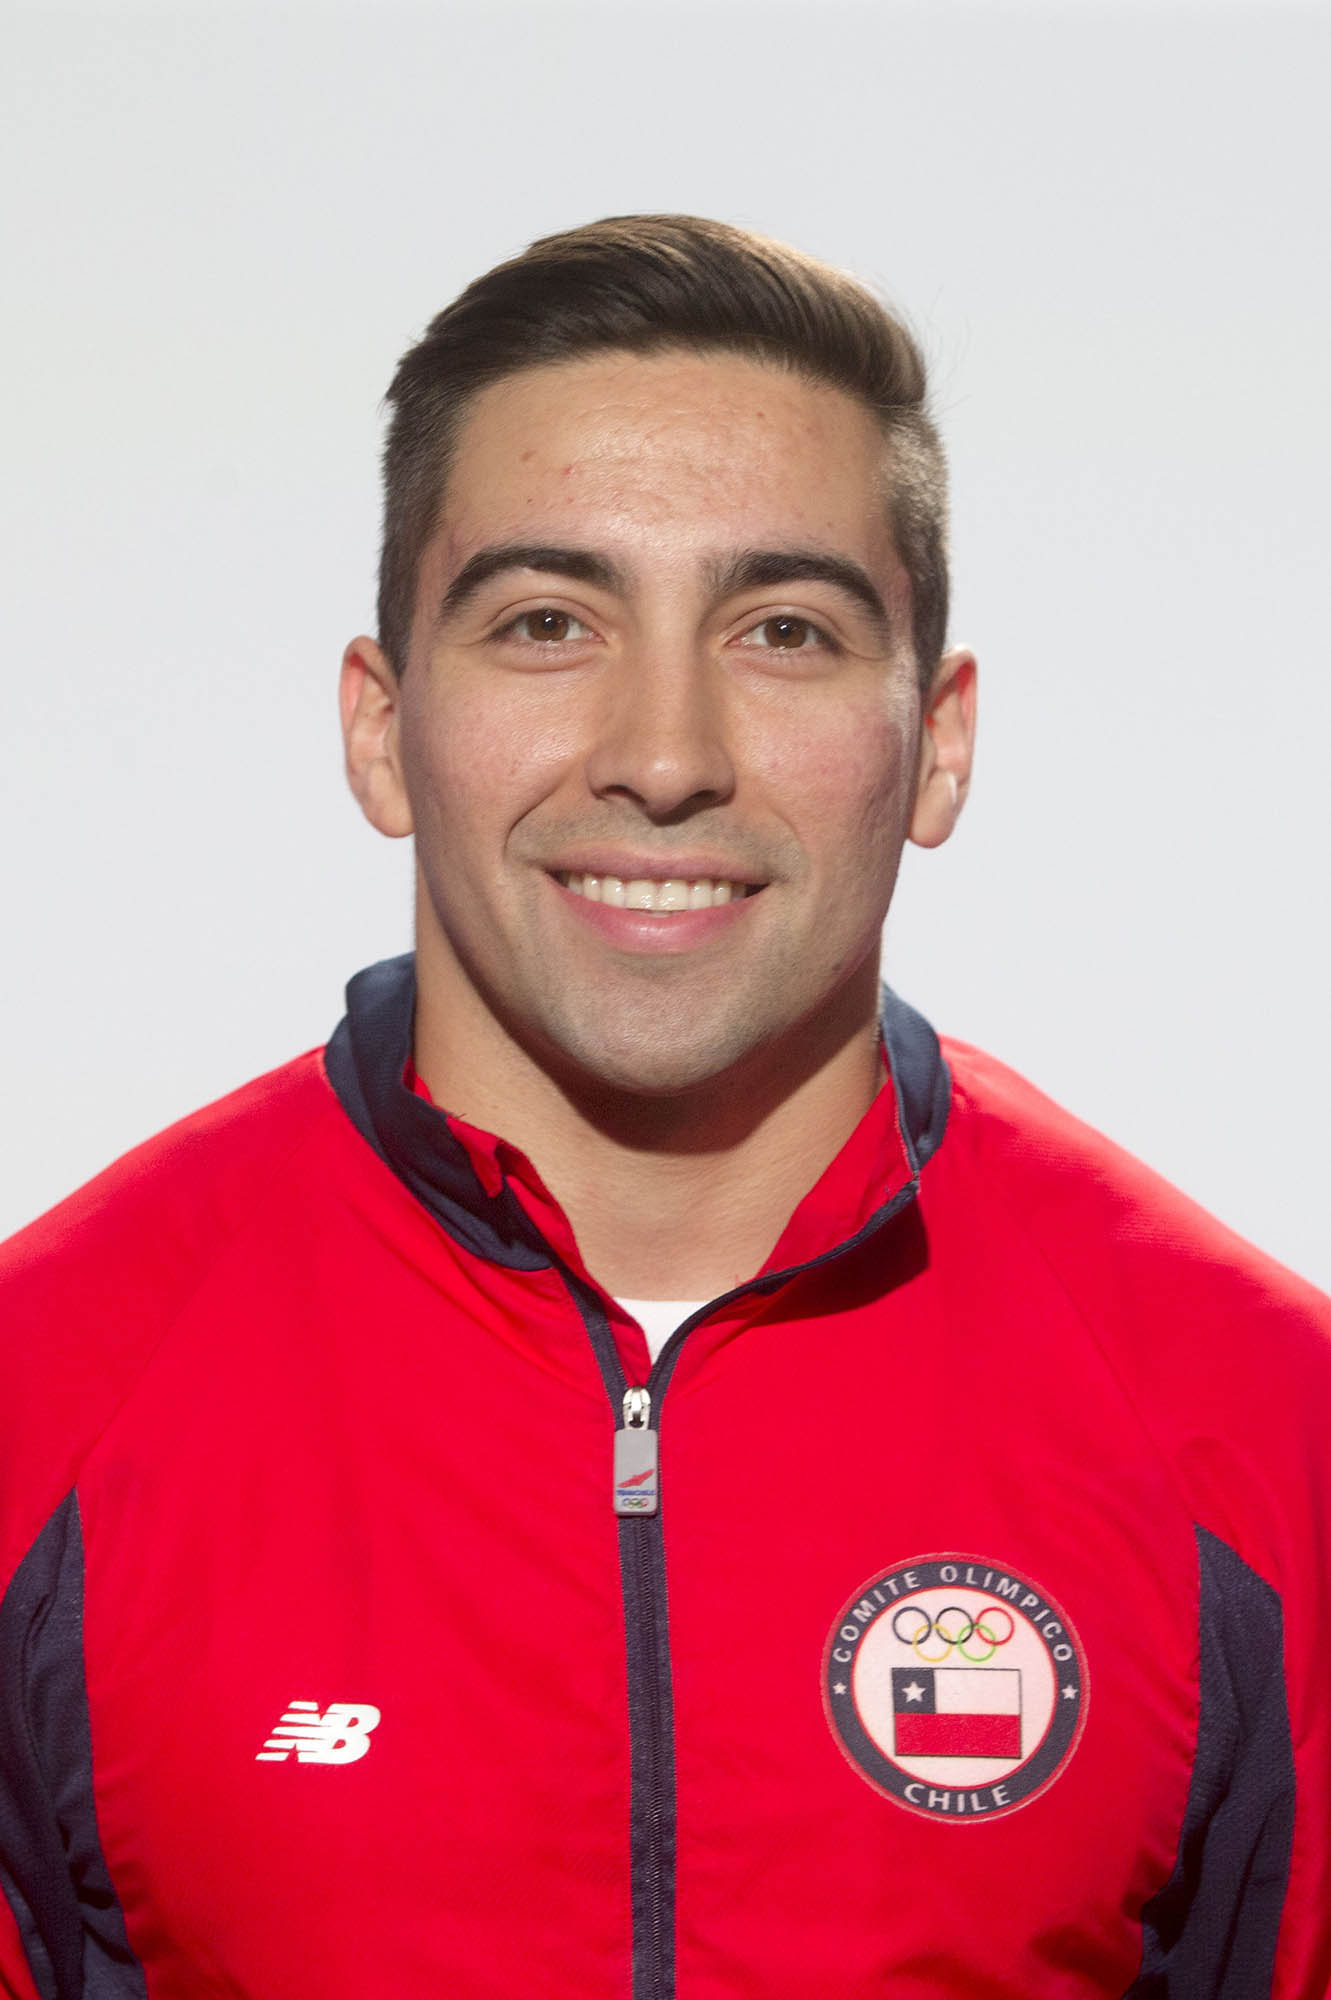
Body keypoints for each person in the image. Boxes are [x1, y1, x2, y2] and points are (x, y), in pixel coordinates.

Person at [1, 214, 1328, 2000]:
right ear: (382, 728)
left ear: (937, 744)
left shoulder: (1260, 1428)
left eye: (782, 630)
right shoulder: (47, 1396)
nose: (665, 755)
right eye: (549, 622)